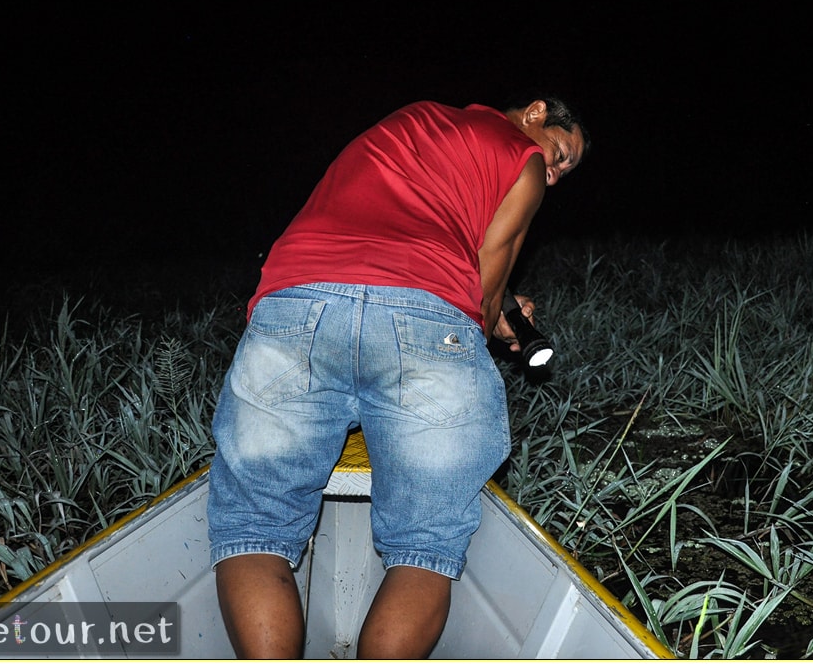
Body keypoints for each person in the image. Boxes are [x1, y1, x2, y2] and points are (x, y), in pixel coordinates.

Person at [207, 96, 588, 659]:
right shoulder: (523, 159)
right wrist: (493, 327)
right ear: (535, 113)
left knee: (256, 523)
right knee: (423, 544)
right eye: (561, 154)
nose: (553, 175)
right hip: (424, 320)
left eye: (561, 172)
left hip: (296, 305)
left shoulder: (416, 118)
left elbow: (403, 224)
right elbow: (479, 297)